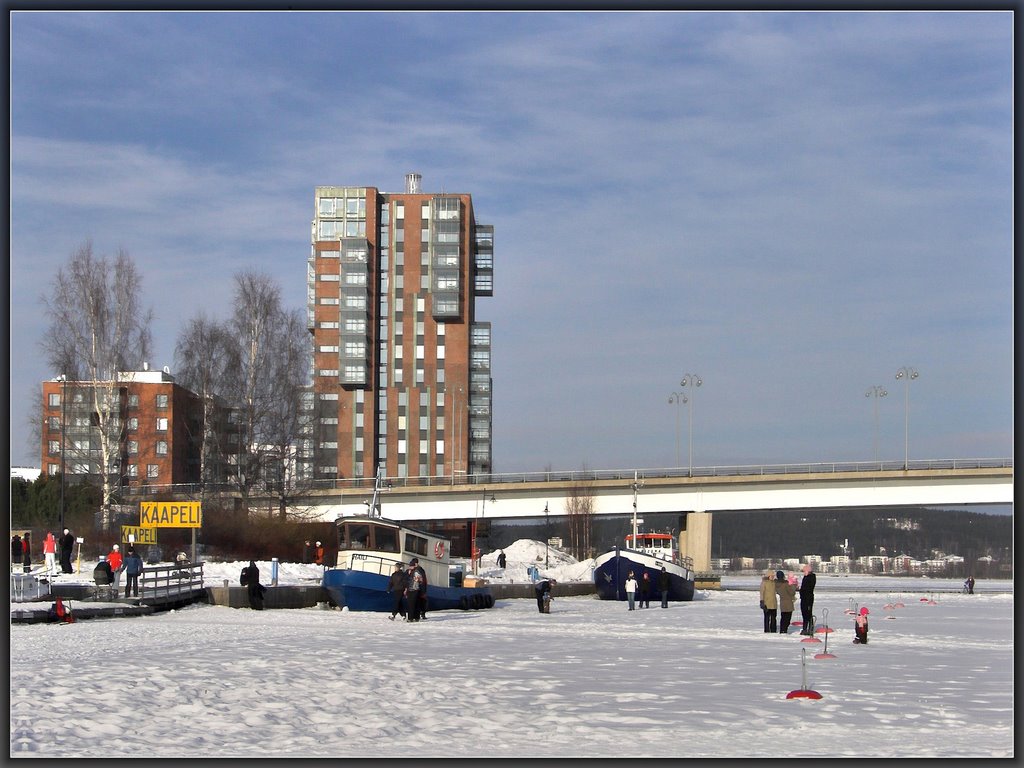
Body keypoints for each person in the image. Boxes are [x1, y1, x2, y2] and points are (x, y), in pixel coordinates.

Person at [799, 563, 816, 635]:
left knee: (808, 614)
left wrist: (801, 590)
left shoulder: (810, 578)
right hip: (804, 598)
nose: (803, 573)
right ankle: (805, 628)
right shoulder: (807, 577)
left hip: (808, 598)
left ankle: (809, 629)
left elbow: (807, 589)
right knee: (805, 614)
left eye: (804, 571)